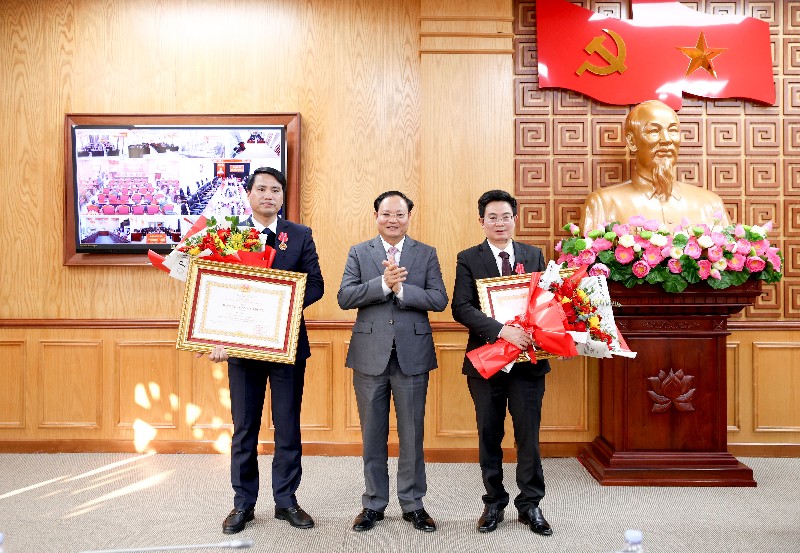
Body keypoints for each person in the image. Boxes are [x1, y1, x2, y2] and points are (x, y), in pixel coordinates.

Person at [207, 166, 324, 534]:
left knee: (288, 426)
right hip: (243, 348)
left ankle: (286, 501)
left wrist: (279, 305)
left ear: (282, 196)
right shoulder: (229, 235)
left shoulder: (299, 235)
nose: (268, 195)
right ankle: (243, 504)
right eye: (261, 189)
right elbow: (216, 287)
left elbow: (316, 285)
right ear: (249, 194)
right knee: (244, 429)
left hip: (286, 344)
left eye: (275, 190)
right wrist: (217, 336)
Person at [337, 191, 448, 533]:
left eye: (400, 214)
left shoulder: (426, 253)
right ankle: (373, 504)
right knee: (373, 434)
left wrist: (402, 291)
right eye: (386, 214)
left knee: (412, 435)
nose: (393, 220)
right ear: (376, 216)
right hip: (369, 355)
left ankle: (413, 505)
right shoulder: (359, 252)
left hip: (412, 355)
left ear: (409, 216)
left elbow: (439, 299)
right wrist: (383, 285)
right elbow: (345, 297)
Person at [451, 189, 553, 537]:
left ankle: (530, 504)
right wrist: (501, 331)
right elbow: (461, 307)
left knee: (528, 436)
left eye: (505, 216)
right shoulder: (468, 258)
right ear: (481, 221)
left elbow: (545, 302)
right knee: (489, 434)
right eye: (492, 217)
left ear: (515, 219)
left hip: (527, 363)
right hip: (487, 361)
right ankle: (494, 502)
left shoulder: (533, 254)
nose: (499, 223)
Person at [581, 99, 730, 231]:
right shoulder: (603, 204)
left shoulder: (711, 204)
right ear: (632, 141)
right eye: (653, 131)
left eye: (672, 130)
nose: (666, 140)